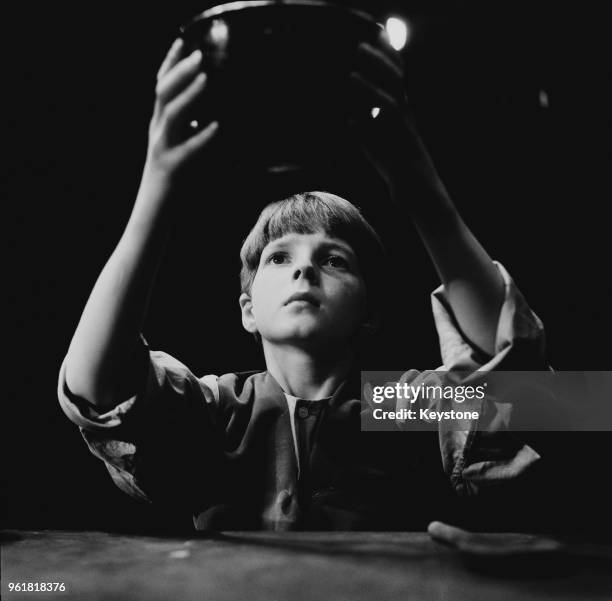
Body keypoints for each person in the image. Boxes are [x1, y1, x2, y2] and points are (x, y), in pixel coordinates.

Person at [57, 37, 550, 531]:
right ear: (248, 309)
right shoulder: (220, 410)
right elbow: (98, 390)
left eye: (334, 260)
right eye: (278, 258)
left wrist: (418, 186)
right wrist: (158, 186)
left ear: (370, 308)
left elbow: (535, 397)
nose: (305, 270)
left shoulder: (399, 404)